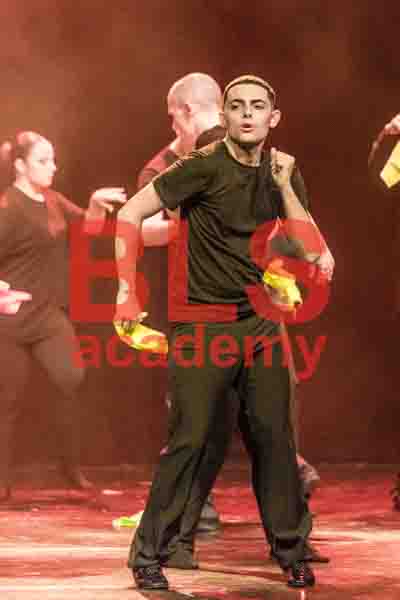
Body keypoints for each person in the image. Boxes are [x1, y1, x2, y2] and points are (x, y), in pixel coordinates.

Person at [115, 75, 331, 590]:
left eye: (258, 107)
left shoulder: (282, 170)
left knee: (275, 437)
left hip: (259, 322)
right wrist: (125, 289)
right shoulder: (201, 165)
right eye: (237, 106)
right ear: (225, 116)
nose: (248, 114)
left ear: (273, 119)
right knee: (189, 440)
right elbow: (130, 212)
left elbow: (307, 246)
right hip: (202, 323)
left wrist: (284, 188)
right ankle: (149, 553)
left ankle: (291, 549)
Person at [0, 131, 126, 502]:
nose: (52, 167)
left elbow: (90, 228)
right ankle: (2, 479)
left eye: (53, 159)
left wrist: (96, 204)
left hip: (47, 315)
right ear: (20, 166)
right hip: (9, 318)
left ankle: (68, 467)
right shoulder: (7, 208)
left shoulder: (53, 200)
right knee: (8, 397)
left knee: (69, 376)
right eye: (43, 161)